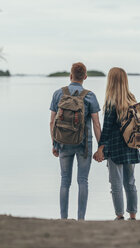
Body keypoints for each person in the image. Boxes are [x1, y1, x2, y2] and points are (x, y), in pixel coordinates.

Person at [49, 62, 101, 220]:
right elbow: (96, 124)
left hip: (63, 143)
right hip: (84, 145)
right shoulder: (90, 96)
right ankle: (81, 220)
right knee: (83, 181)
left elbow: (52, 122)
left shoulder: (59, 94)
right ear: (85, 77)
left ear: (70, 75)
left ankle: (63, 219)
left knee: (65, 181)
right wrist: (101, 147)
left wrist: (54, 143)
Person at [93, 67, 140, 221]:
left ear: (111, 81)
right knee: (130, 182)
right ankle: (133, 215)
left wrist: (100, 149)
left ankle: (120, 215)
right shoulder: (132, 99)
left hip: (115, 148)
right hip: (131, 146)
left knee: (116, 183)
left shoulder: (111, 102)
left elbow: (106, 130)